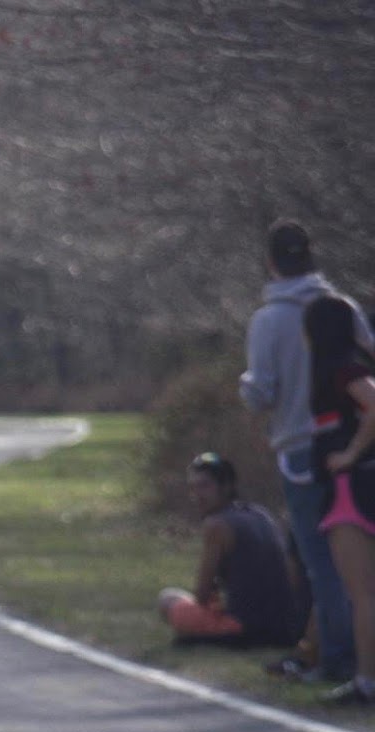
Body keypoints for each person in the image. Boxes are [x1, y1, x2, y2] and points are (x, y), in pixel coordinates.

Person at [239, 218, 371, 683]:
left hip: (300, 449)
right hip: (351, 446)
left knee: (321, 564)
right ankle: (350, 657)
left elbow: (261, 392)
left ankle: (337, 660)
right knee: (358, 563)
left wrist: (245, 386)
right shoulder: (343, 306)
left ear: (270, 262)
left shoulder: (268, 320)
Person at [304, 294, 375, 706]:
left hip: (351, 488)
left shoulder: (342, 368)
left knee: (363, 593)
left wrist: (349, 454)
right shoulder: (342, 367)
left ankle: (367, 681)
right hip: (359, 483)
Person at [156, 453, 305, 647]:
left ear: (226, 487)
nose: (197, 495)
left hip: (243, 628)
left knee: (167, 599)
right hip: (284, 626)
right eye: (193, 488)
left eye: (204, 486)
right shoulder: (261, 514)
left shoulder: (215, 525)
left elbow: (202, 595)